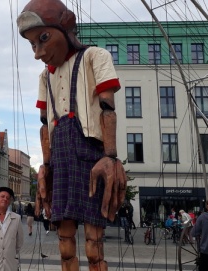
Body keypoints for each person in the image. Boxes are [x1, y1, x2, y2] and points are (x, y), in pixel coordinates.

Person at [17, 0, 127, 269]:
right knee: (65, 244)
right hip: (60, 159)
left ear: (66, 26)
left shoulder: (94, 56)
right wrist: (45, 165)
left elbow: (107, 106)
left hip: (91, 154)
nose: (38, 52)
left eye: (43, 39)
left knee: (94, 247)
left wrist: (110, 156)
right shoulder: (46, 77)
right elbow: (45, 123)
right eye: (33, 45)